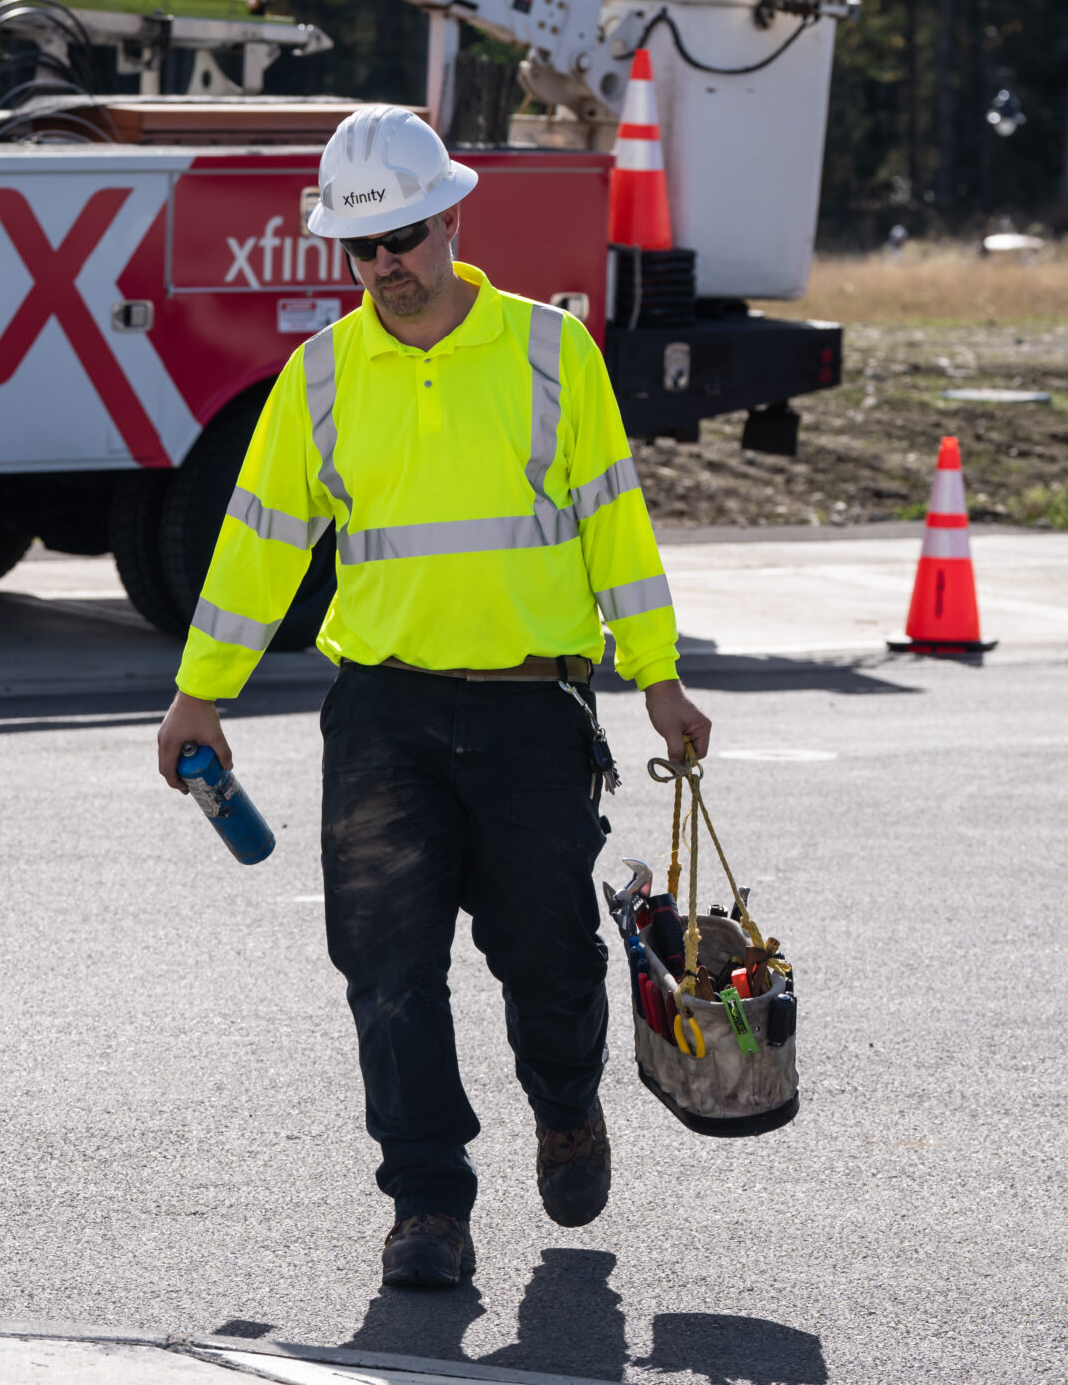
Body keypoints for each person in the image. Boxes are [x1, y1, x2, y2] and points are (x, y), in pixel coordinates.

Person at [154, 104, 711, 1291]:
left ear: (453, 217)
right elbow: (258, 547)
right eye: (362, 248)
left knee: (549, 959)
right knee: (385, 967)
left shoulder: (552, 354)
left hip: (529, 710)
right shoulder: (318, 377)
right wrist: (198, 694)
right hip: (382, 715)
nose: (384, 265)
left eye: (404, 237)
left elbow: (616, 524)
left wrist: (655, 672)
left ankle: (565, 1105)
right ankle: (425, 1204)